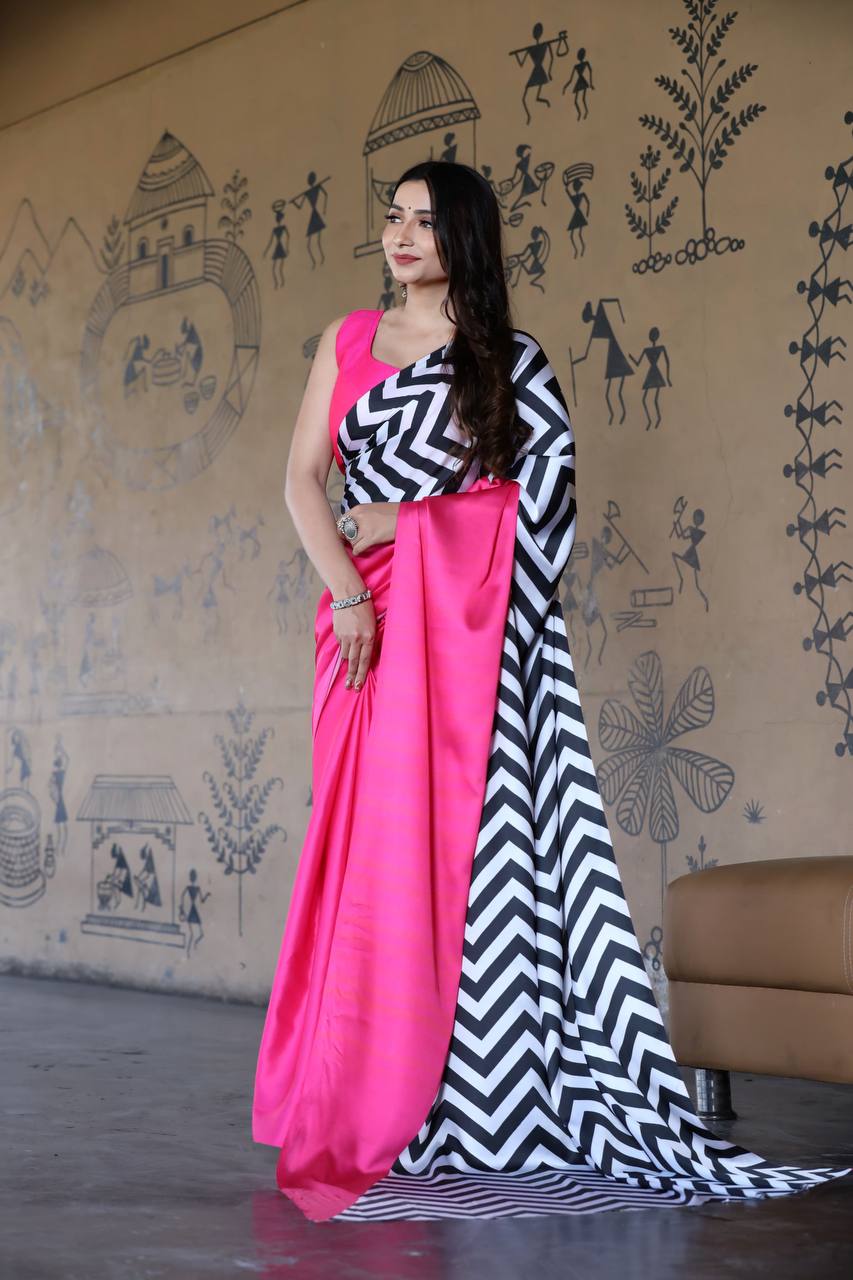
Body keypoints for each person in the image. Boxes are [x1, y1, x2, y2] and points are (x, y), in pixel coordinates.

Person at [251, 160, 848, 1222]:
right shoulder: (346, 343)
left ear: (465, 239)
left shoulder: (508, 360)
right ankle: (359, 1083)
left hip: (466, 633)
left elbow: (544, 507)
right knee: (366, 849)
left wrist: (411, 523)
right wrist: (347, 590)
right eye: (392, 217)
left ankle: (473, 1097)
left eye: (425, 222)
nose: (401, 236)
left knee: (473, 852)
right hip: (362, 626)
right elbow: (302, 480)